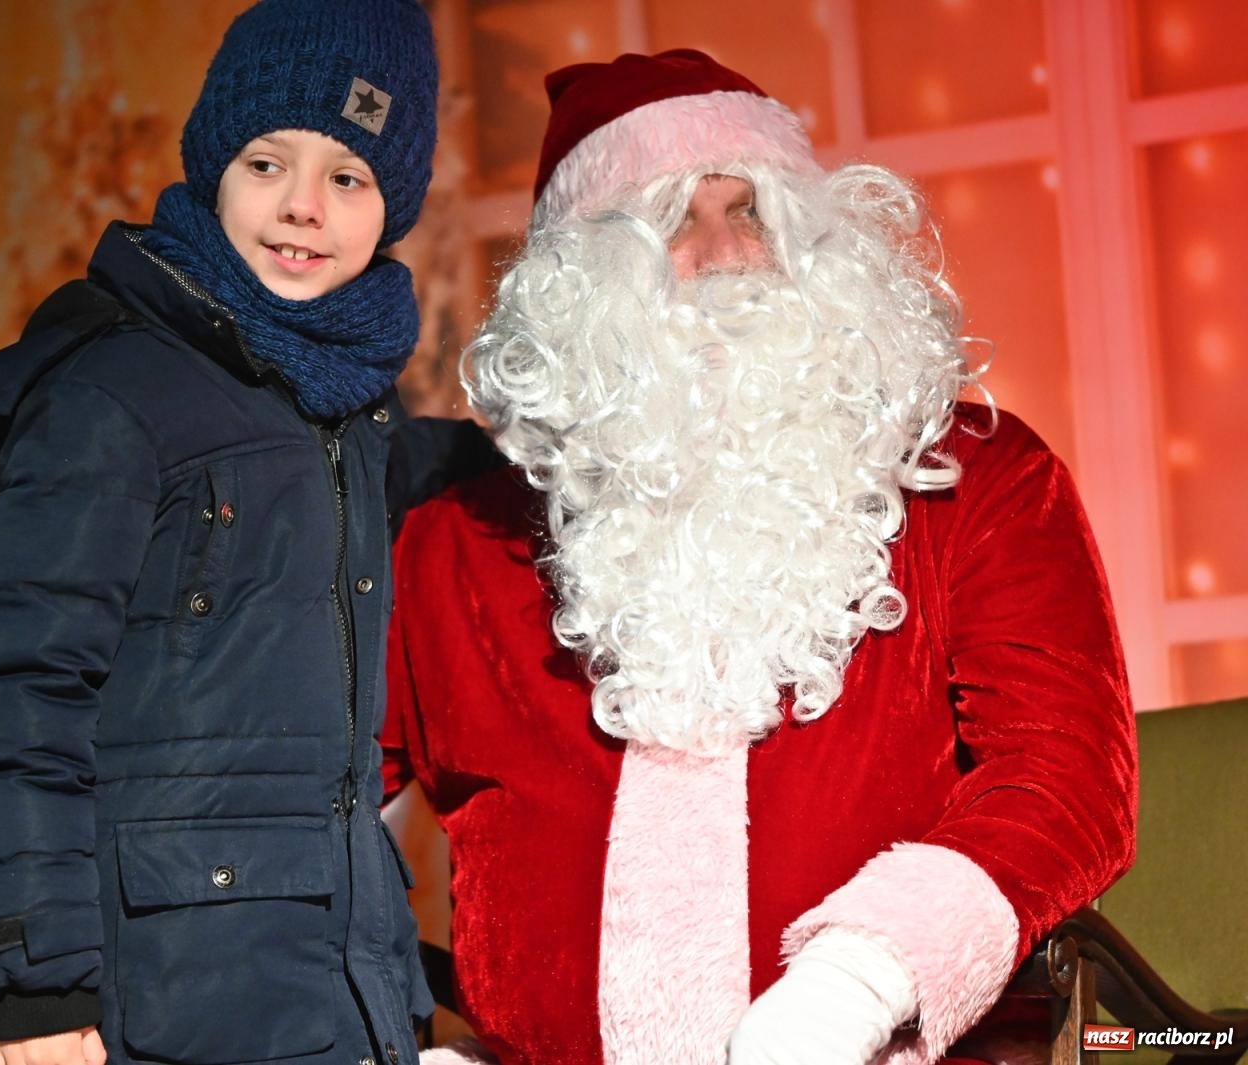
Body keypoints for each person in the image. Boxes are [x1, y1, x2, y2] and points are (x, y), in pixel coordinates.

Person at [385, 50, 1137, 1065]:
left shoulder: (973, 480)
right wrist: (385, 1026)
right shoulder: (456, 549)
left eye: (753, 212)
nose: (725, 253)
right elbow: (293, 800)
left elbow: (1066, 777)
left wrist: (857, 981)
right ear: (575, 290)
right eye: (666, 222)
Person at [0, 3, 443, 1064]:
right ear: (213, 166)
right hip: (159, 1010)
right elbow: (17, 703)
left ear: (390, 208)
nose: (303, 209)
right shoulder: (111, 394)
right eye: (269, 163)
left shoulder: (354, 413)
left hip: (343, 999)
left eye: (349, 178)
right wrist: (35, 992)